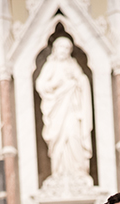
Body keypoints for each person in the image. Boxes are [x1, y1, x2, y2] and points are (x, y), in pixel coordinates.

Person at [36, 37, 93, 178]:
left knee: (73, 136)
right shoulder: (51, 66)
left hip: (72, 111)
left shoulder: (73, 65)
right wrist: (56, 83)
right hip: (56, 112)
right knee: (59, 142)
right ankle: (59, 171)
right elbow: (40, 85)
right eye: (61, 48)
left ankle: (78, 170)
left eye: (67, 49)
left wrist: (78, 81)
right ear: (55, 49)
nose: (64, 51)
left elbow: (83, 81)